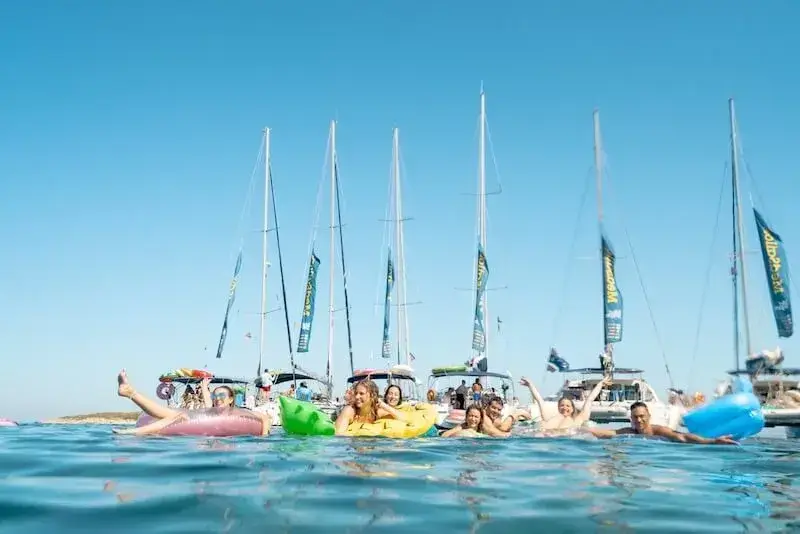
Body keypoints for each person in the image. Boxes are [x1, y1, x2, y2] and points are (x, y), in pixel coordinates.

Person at [114, 370, 272, 436]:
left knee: (177, 415)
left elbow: (264, 418)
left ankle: (130, 395)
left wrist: (264, 438)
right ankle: (130, 393)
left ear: (231, 399)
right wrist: (204, 387)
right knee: (175, 414)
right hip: (191, 420)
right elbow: (208, 401)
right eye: (215, 395)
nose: (218, 398)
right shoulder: (212, 411)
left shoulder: (238, 412)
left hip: (187, 419)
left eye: (222, 395)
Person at [588, 401, 737, 445]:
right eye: (635, 417)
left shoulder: (658, 431)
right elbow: (608, 433)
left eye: (642, 416)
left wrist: (712, 441)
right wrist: (579, 431)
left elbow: (683, 437)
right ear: (631, 419)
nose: (639, 420)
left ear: (649, 416)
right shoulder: (629, 432)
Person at [521, 375, 611, 430]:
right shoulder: (549, 418)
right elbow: (540, 401)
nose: (565, 407)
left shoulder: (578, 419)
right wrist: (530, 385)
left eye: (568, 406)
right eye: (562, 405)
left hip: (568, 442)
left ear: (572, 409)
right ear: (558, 408)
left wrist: (600, 384)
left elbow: (589, 400)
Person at [334, 379, 407, 436]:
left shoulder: (376, 412)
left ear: (372, 395)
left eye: (361, 393)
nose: (357, 397)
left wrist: (383, 405)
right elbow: (339, 434)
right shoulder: (350, 411)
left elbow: (404, 419)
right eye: (356, 393)